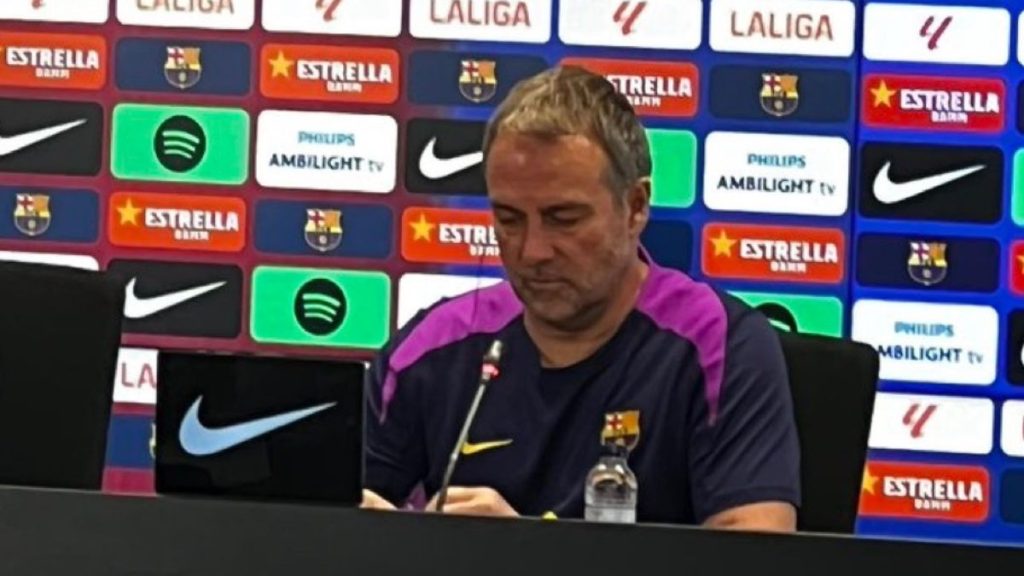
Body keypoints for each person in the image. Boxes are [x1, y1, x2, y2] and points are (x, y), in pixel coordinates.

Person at [361, 65, 800, 531]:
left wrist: (524, 555)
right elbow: (333, 515)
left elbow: (756, 549)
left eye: (563, 219)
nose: (532, 251)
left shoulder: (718, 344)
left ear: (635, 207)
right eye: (509, 219)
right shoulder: (434, 345)